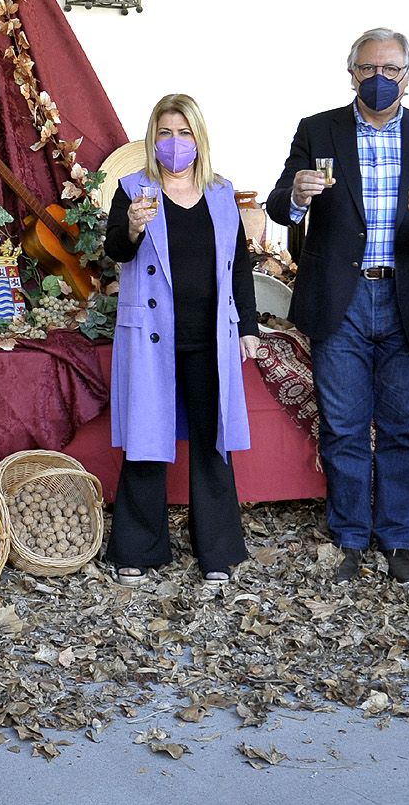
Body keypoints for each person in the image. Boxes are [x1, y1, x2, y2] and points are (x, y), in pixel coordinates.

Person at [265, 28, 409, 586]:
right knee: (344, 426)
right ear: (351, 72)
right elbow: (280, 206)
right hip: (342, 300)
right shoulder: (318, 128)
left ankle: (398, 538)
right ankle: (351, 535)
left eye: (392, 69)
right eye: (367, 68)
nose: (380, 78)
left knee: (404, 428)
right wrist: (298, 196)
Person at [105, 94, 261, 587]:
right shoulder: (134, 189)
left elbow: (240, 268)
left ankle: (217, 551)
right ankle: (138, 548)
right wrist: (130, 227)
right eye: (166, 133)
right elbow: (113, 250)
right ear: (154, 138)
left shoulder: (221, 192)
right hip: (152, 335)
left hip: (210, 335)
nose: (175, 143)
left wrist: (250, 327)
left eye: (184, 133)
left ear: (200, 138)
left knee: (213, 441)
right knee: (146, 441)